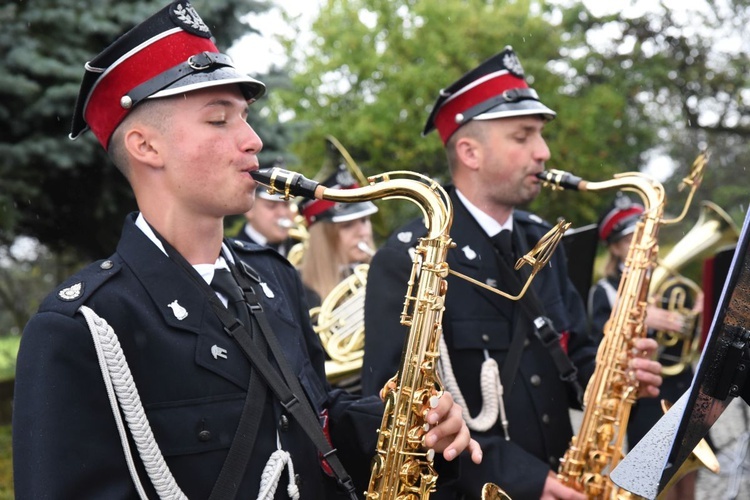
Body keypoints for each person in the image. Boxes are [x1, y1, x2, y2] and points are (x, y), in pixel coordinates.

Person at [11, 3, 481, 498]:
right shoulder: (82, 326)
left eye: (246, 118)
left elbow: (312, 424)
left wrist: (404, 430)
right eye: (219, 120)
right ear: (146, 147)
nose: (253, 141)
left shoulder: (273, 278)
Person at [361, 46, 663, 500]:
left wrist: (615, 378)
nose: (543, 152)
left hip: (564, 479)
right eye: (523, 137)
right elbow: (393, 418)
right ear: (470, 151)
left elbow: (573, 351)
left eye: (540, 135)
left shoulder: (545, 240)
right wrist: (521, 478)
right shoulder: (408, 256)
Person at [589, 192, 704, 500]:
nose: (641, 245)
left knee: (688, 472)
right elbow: (598, 349)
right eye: (630, 239)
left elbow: (691, 337)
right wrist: (642, 319)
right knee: (655, 482)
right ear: (614, 247)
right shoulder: (605, 292)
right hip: (646, 398)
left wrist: (695, 319)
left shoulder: (669, 281)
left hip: (681, 386)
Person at [297, 164, 378, 308]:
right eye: (347, 225)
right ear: (322, 236)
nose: (363, 232)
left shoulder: (381, 275)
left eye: (364, 220)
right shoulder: (297, 288)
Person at [235, 182, 296, 258]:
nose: (282, 213)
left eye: (286, 205)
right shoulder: (233, 252)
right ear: (249, 209)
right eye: (271, 206)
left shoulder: (299, 246)